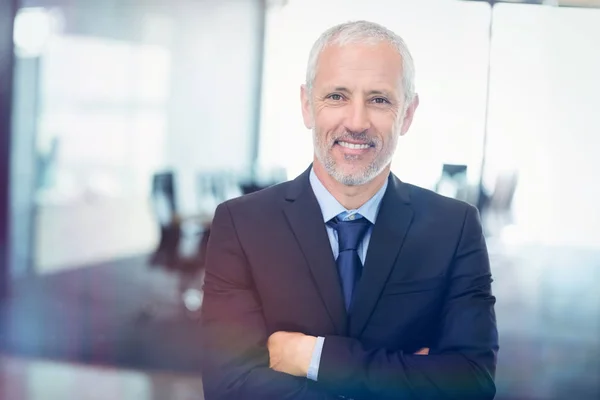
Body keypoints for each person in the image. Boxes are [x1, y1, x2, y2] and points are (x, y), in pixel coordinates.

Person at [201, 20, 498, 400]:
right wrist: (409, 376)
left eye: (379, 99)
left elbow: (471, 384)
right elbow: (230, 387)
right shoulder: (241, 225)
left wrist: (313, 357)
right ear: (307, 106)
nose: (356, 122)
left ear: (407, 114)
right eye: (337, 96)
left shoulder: (454, 228)